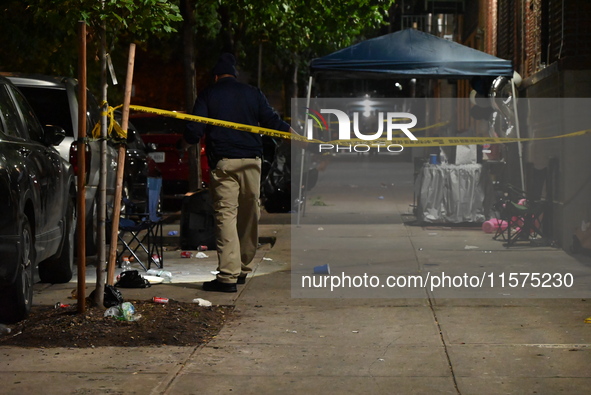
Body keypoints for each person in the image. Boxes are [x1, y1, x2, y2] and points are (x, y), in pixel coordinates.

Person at [184, 53, 294, 292]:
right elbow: (271, 120)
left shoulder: (209, 94)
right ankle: (243, 268)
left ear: (216, 76)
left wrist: (188, 138)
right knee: (249, 215)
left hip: (225, 164)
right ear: (234, 75)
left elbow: (194, 128)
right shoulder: (252, 93)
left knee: (226, 217)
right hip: (252, 163)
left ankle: (227, 276)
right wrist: (292, 133)